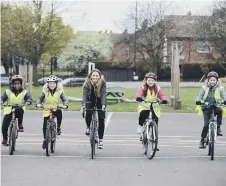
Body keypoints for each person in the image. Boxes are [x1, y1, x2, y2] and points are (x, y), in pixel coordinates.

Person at [36, 75, 68, 149]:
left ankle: (59, 127)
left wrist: (65, 105)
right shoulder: (45, 91)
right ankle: (45, 139)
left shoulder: (59, 91)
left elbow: (64, 99)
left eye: (53, 83)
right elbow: (40, 98)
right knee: (44, 125)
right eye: (50, 83)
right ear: (48, 84)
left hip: (56, 108)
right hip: (47, 109)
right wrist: (38, 104)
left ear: (56, 84)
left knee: (59, 113)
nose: (52, 85)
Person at [196, 71, 226, 148]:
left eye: (214, 80)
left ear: (217, 81)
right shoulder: (204, 87)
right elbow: (199, 95)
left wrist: (225, 101)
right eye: (211, 80)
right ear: (208, 80)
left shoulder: (220, 88)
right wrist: (198, 101)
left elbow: (224, 95)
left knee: (220, 110)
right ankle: (202, 140)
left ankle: (218, 127)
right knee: (206, 125)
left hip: (215, 106)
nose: (212, 82)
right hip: (206, 107)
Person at [1, 75, 33, 145]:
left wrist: (28, 101)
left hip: (19, 110)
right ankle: (5, 138)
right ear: (12, 84)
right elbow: (3, 98)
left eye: (18, 84)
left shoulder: (24, 92)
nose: (17, 85)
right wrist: (1, 101)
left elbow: (28, 98)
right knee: (4, 126)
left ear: (21, 84)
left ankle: (20, 124)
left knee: (20, 110)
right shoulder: (8, 91)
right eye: (15, 84)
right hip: (9, 110)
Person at [135, 72, 168, 141]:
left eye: (152, 80)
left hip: (154, 106)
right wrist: (138, 97)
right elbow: (139, 93)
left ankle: (154, 137)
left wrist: (163, 100)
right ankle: (140, 126)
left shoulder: (157, 88)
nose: (150, 82)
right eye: (149, 80)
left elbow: (162, 95)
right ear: (146, 81)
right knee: (143, 114)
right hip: (144, 106)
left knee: (155, 120)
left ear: (155, 81)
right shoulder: (143, 87)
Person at [82, 69, 106, 149]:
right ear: (91, 76)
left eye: (97, 76)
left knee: (101, 118)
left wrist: (103, 105)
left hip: (100, 100)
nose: (95, 77)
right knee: (88, 112)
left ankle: (101, 140)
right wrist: (84, 104)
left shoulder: (103, 82)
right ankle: (88, 127)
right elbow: (85, 95)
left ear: (99, 76)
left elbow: (103, 94)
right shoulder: (87, 83)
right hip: (90, 99)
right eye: (93, 75)